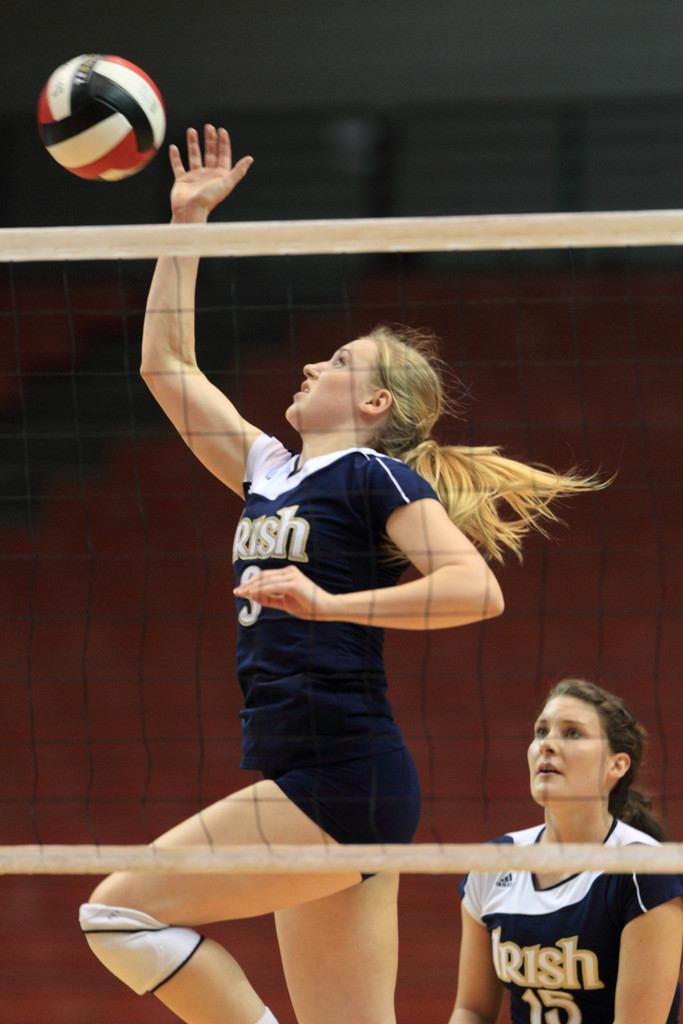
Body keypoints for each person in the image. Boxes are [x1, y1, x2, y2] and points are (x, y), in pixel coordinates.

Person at [79, 125, 606, 1024]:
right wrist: (186, 221)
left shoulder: (371, 474)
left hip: (338, 778)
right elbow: (164, 365)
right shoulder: (269, 470)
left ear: (373, 402)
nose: (310, 364)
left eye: (336, 363)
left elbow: (475, 589)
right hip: (314, 774)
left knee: (117, 914)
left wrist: (327, 603)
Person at [450, 678, 683, 1024]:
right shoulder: (493, 863)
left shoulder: (647, 870)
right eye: (541, 731)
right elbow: (472, 1010)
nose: (547, 745)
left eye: (573, 733)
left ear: (616, 765)